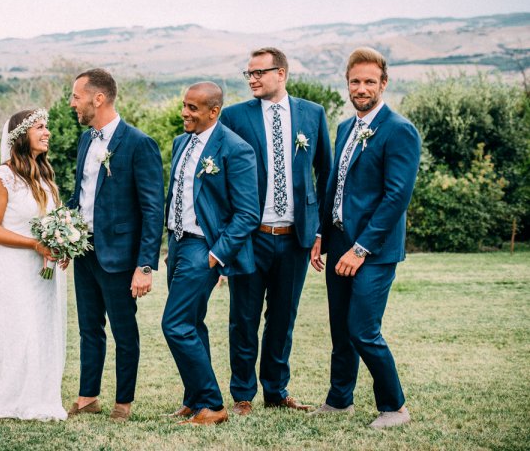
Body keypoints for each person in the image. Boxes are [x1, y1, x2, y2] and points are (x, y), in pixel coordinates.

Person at [309, 47, 420, 429]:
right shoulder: (345, 128)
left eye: (369, 81)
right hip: (338, 243)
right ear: (347, 84)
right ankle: (339, 400)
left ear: (383, 84)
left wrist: (360, 249)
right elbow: (334, 187)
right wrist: (322, 232)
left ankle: (395, 408)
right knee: (340, 328)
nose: (361, 88)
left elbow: (396, 199)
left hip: (373, 251)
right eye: (355, 81)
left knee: (362, 329)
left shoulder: (400, 130)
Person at [219, 48, 332, 416]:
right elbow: (221, 179)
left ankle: (276, 390)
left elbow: (324, 173)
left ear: (280, 73)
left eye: (258, 72)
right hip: (250, 237)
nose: (251, 79)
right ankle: (242, 394)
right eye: (248, 73)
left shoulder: (312, 114)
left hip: (295, 238)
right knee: (244, 318)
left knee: (283, 318)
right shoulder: (234, 116)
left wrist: (319, 232)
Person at [66, 68, 164, 422]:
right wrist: (65, 236)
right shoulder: (86, 140)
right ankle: (88, 395)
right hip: (85, 251)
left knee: (124, 332)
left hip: (120, 257)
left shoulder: (139, 143)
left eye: (76, 96)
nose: (71, 103)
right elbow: (80, 195)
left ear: (98, 98)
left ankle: (124, 401)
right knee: (88, 327)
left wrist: (145, 265)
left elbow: (154, 210)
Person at [0, 108, 68, 421]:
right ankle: (12, 395)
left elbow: (52, 221)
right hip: (15, 265)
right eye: (40, 128)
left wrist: (63, 245)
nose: (47, 133)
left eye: (47, 127)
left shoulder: (44, 175)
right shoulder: (2, 176)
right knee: (21, 327)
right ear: (21, 137)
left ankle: (39, 394)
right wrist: (34, 244)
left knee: (43, 327)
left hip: (44, 268)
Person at [162, 81, 260, 426]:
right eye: (185, 105)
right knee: (190, 322)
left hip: (203, 247)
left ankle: (214, 405)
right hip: (177, 243)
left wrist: (217, 254)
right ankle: (193, 398)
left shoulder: (236, 149)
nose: (185, 113)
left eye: (193, 108)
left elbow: (248, 213)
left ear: (213, 111)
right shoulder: (180, 143)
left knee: (174, 324)